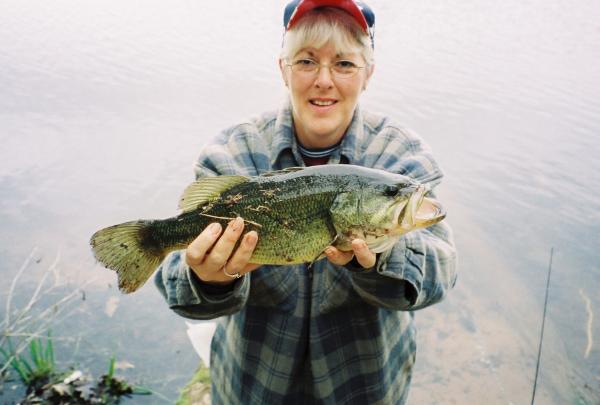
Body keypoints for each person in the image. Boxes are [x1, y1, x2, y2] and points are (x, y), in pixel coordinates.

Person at [155, 1, 457, 403]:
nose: (324, 81)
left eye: (345, 64)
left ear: (368, 73)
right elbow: (177, 284)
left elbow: (442, 272)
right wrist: (209, 279)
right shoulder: (232, 153)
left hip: (361, 388)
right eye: (306, 61)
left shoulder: (401, 159)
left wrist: (385, 255)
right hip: (253, 385)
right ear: (283, 69)